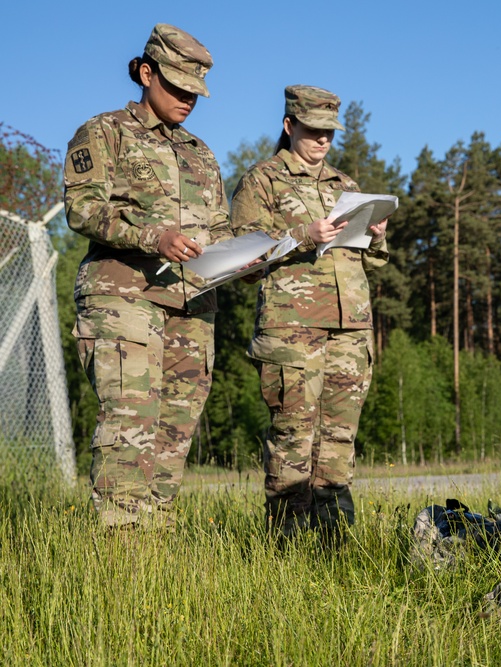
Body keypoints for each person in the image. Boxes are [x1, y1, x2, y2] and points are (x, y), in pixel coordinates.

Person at [64, 24, 231, 528]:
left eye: (194, 93)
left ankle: (151, 561)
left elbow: (220, 229)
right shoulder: (104, 131)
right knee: (129, 430)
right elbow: (82, 209)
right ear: (145, 72)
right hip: (124, 298)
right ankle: (118, 558)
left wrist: (246, 260)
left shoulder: (201, 153)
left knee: (174, 437)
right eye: (177, 87)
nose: (187, 100)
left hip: (193, 307)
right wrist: (151, 237)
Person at [230, 85, 389, 538]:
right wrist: (303, 233)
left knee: (339, 440)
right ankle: (288, 548)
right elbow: (240, 255)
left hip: (350, 329)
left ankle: (335, 544)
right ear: (289, 126)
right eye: (314, 130)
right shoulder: (263, 180)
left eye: (330, 133)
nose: (323, 140)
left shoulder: (346, 186)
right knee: (294, 439)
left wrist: (376, 235)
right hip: (292, 331)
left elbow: (370, 262)